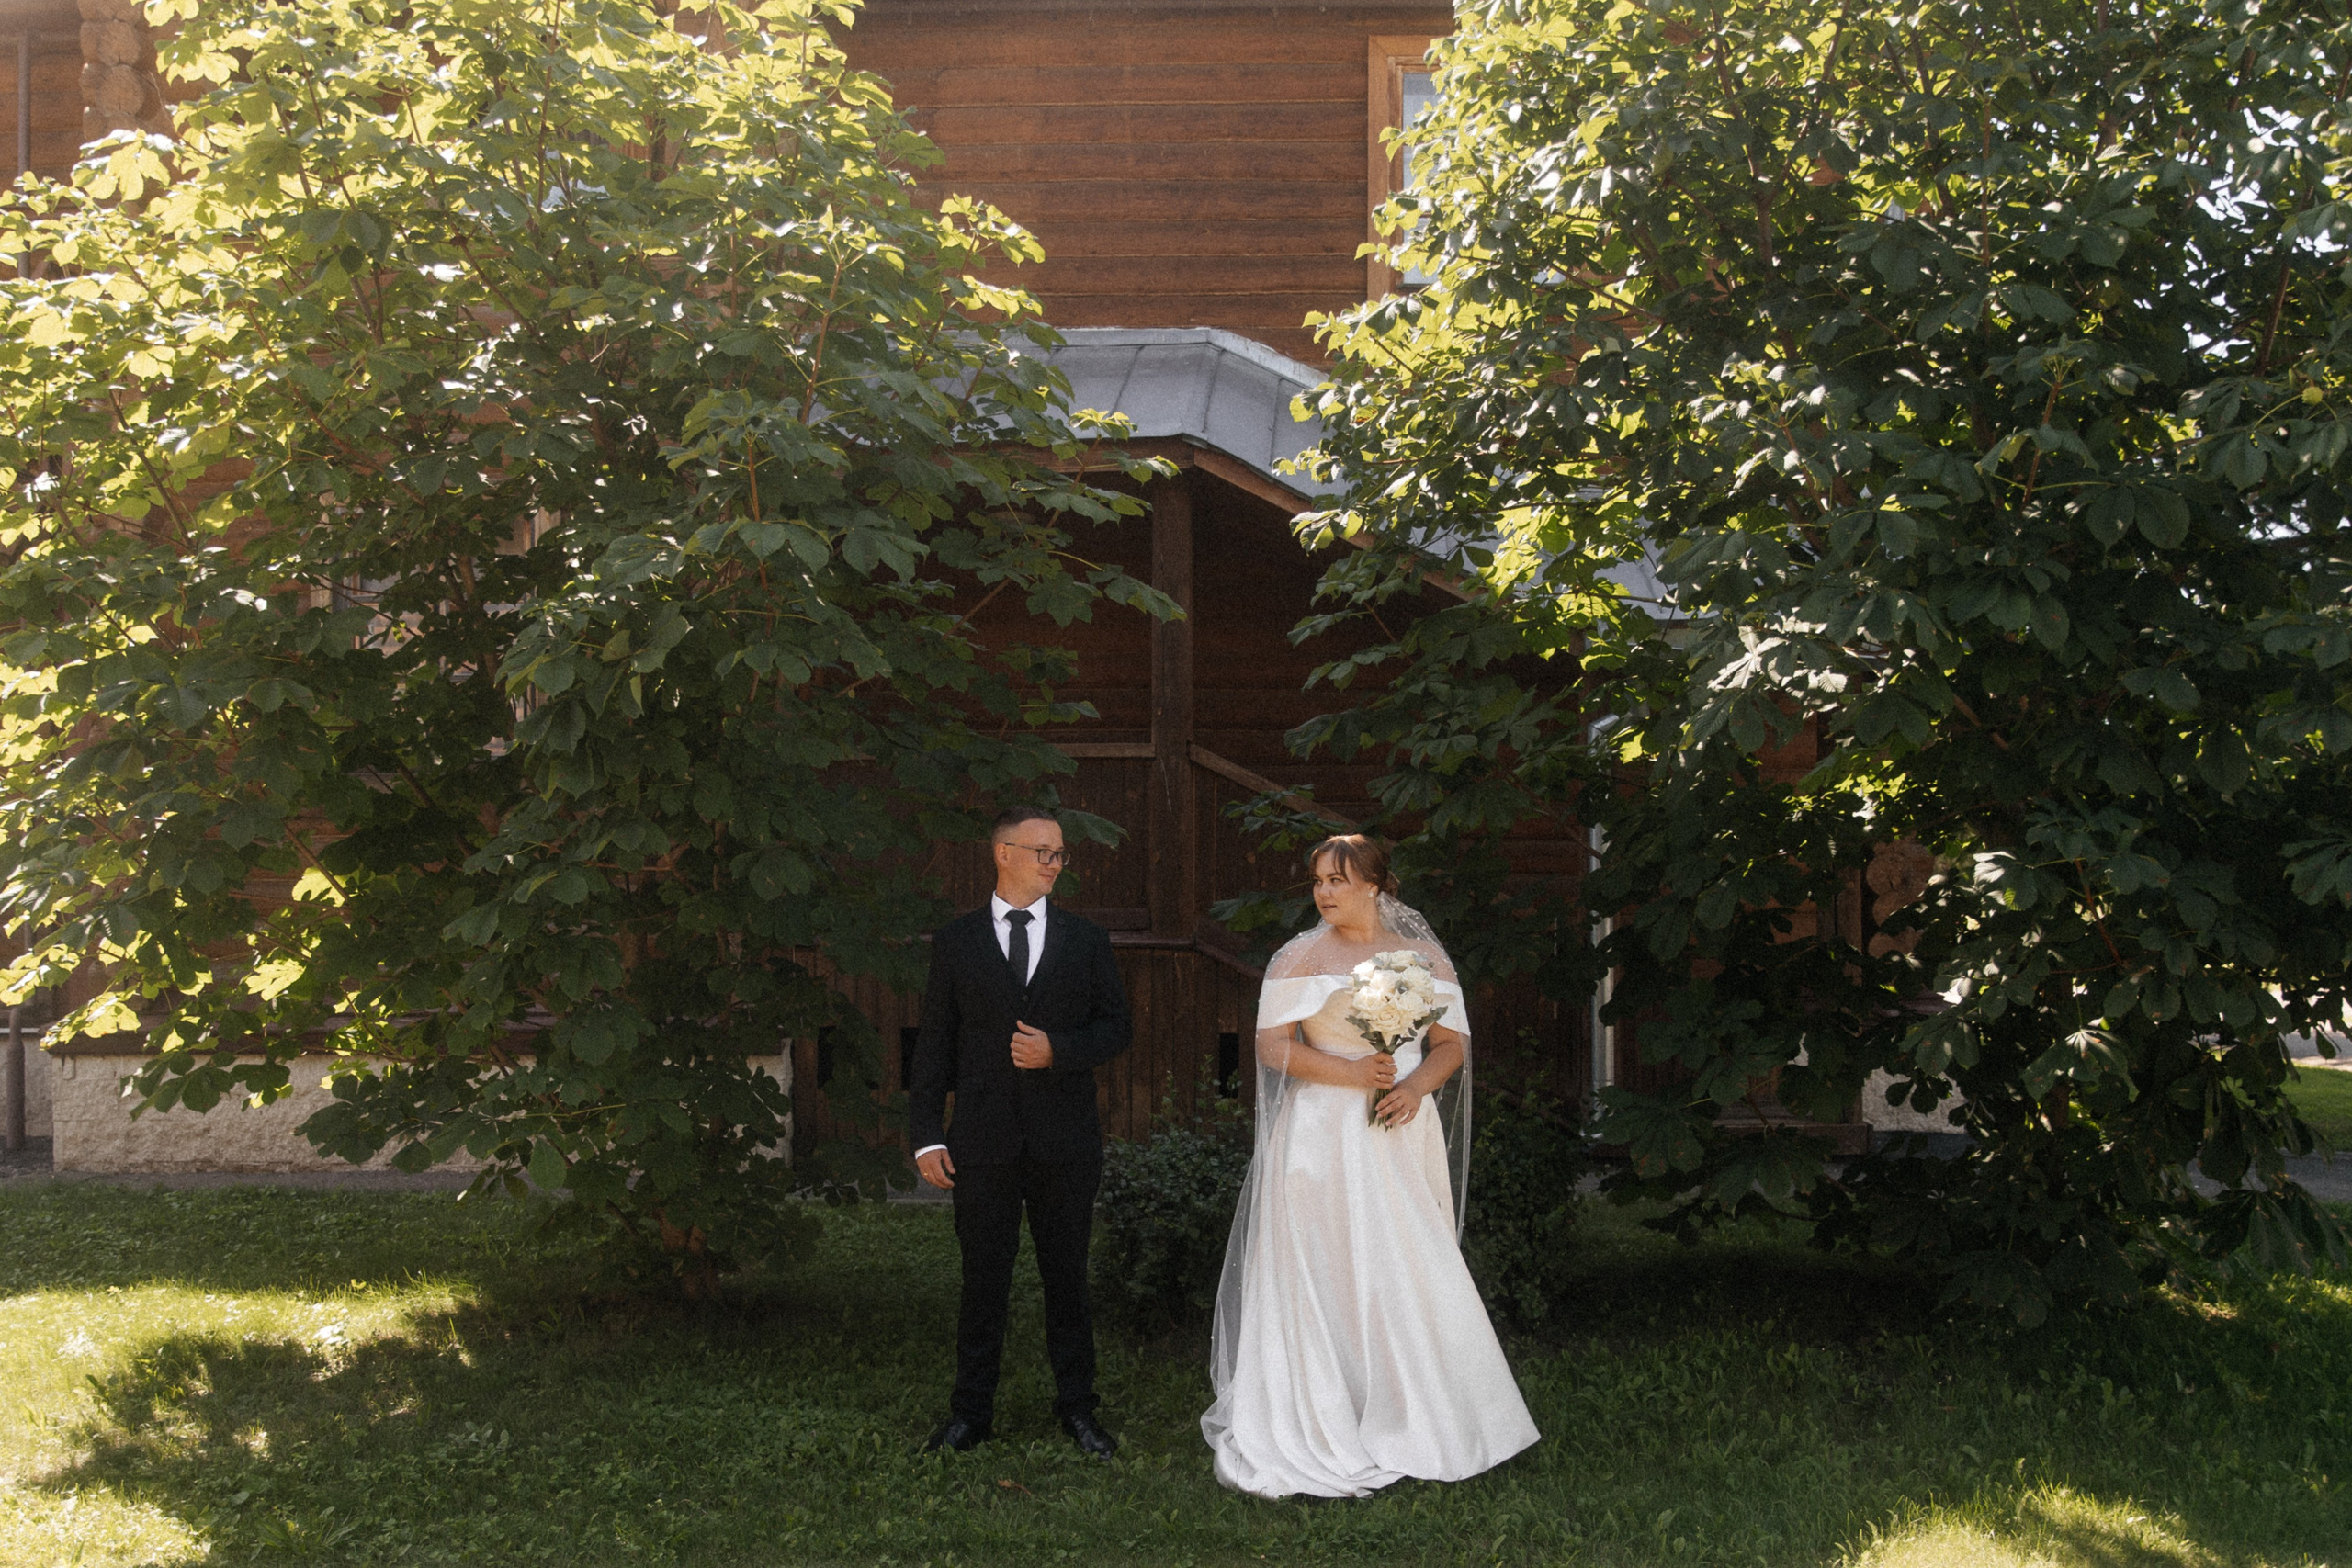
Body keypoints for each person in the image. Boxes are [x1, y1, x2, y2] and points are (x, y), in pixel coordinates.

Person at [1201, 833, 1539, 1497]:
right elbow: (1271, 1048)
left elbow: (1450, 1045)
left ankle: (1424, 1409)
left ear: (1377, 886)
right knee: (1324, 1257)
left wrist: (1414, 1087)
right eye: (1318, 880)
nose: (1324, 891)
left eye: (1339, 879)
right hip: (1321, 1133)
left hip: (1395, 1129)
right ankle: (1327, 1405)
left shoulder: (1421, 956)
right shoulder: (1296, 957)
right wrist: (1350, 1070)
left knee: (1405, 1258)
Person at [909, 805, 1133, 1458]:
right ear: (1002, 853)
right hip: (981, 1142)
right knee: (984, 1277)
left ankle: (1079, 1408)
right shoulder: (956, 941)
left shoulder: (1086, 940)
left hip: (1065, 1142)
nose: (1054, 863)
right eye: (1042, 851)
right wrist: (927, 1132)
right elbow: (935, 1044)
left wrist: (1058, 1050)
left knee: (1068, 1276)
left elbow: (1116, 1027)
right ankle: (970, 1413)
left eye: (1060, 853)